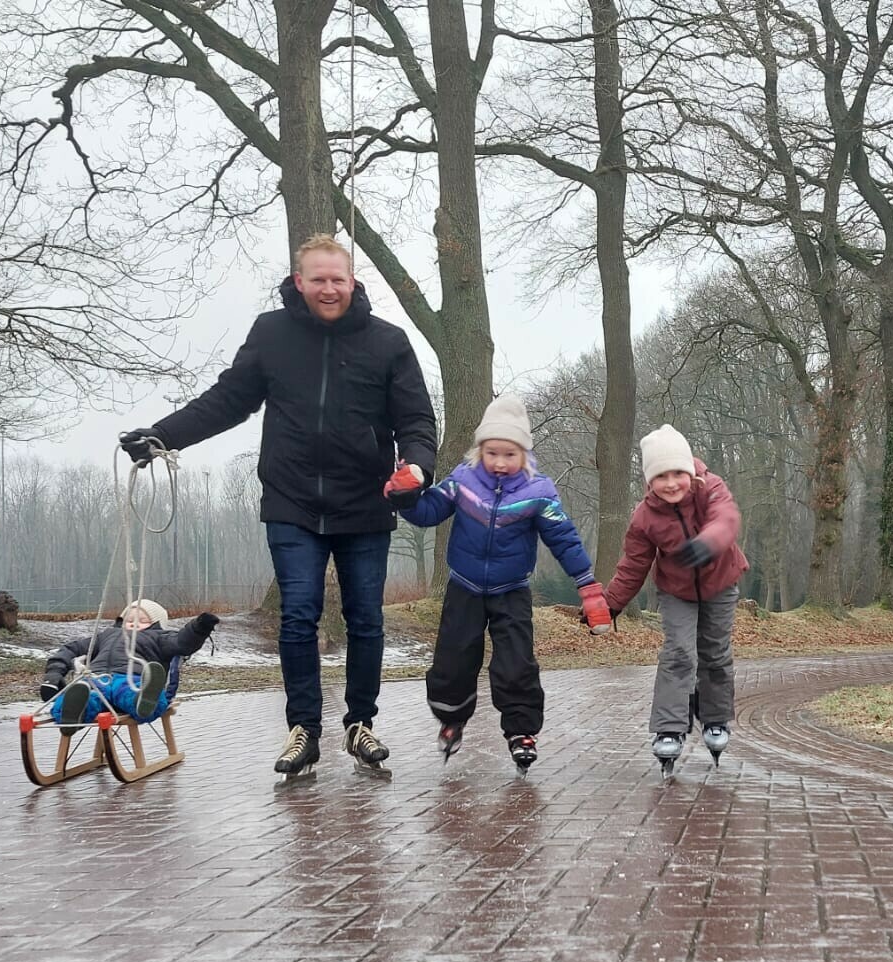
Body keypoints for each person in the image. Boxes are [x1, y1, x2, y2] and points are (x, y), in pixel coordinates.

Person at [119, 234, 437, 777]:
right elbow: (227, 400)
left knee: (365, 620)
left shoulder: (388, 342)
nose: (329, 288)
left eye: (338, 279)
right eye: (318, 279)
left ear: (353, 281)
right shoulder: (272, 333)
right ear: (299, 282)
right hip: (291, 500)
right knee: (298, 617)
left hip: (365, 502)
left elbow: (416, 420)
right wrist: (164, 436)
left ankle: (360, 724)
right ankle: (304, 730)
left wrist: (417, 467)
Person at [396, 392, 613, 772]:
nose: (499, 462)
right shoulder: (462, 482)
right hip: (463, 586)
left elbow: (563, 539)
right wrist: (405, 497)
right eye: (492, 453)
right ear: (479, 451)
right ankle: (452, 719)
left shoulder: (539, 493)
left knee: (516, 663)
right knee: (454, 658)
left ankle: (521, 731)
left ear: (524, 455)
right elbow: (429, 511)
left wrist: (588, 586)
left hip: (511, 590)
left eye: (509, 455)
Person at [600, 424, 750, 765]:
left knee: (714, 653)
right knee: (679, 653)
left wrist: (708, 542)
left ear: (689, 471)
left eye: (677, 474)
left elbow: (726, 518)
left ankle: (714, 719)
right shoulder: (644, 517)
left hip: (721, 584)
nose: (671, 484)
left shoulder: (711, 487)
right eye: (660, 477)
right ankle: (669, 727)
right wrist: (611, 604)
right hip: (676, 592)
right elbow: (633, 564)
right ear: (649, 481)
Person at [41, 600, 218, 728]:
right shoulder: (106, 635)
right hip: (96, 678)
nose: (133, 624)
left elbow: (182, 642)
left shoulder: (158, 637)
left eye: (142, 621)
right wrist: (54, 675)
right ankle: (71, 713)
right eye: (129, 620)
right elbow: (72, 649)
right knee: (86, 693)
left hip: (130, 679)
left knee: (130, 692)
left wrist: (199, 627)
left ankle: (144, 701)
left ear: (156, 624)